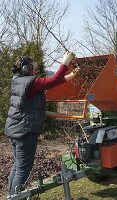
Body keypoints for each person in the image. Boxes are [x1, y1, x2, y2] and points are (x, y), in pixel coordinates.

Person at [4, 51, 80, 199]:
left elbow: (48, 84)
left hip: (14, 130)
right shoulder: (30, 82)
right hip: (24, 132)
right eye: (33, 67)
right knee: (23, 170)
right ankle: (14, 197)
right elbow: (53, 80)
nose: (35, 70)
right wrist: (66, 61)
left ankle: (9, 195)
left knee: (17, 167)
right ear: (26, 68)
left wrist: (69, 77)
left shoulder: (19, 81)